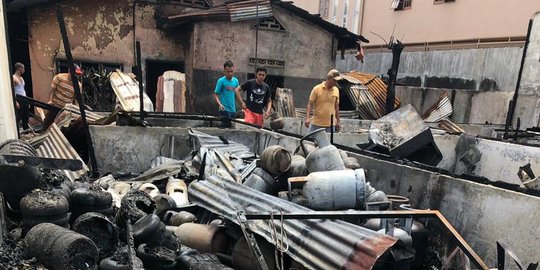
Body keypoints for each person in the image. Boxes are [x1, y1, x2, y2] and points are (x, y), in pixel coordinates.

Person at [42, 65, 83, 131]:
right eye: (75, 73)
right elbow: (52, 90)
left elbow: (76, 99)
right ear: (69, 71)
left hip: (65, 110)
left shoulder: (78, 85)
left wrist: (76, 110)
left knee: (62, 128)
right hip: (55, 105)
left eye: (78, 74)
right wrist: (50, 100)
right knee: (47, 124)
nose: (76, 76)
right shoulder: (59, 77)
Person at [12, 62, 29, 130]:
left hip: (24, 98)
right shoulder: (13, 78)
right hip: (18, 99)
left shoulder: (22, 78)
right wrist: (15, 102)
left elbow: (23, 90)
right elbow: (12, 91)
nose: (24, 70)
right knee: (19, 116)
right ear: (19, 68)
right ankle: (16, 132)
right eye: (23, 68)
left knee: (26, 116)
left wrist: (27, 101)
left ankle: (26, 132)